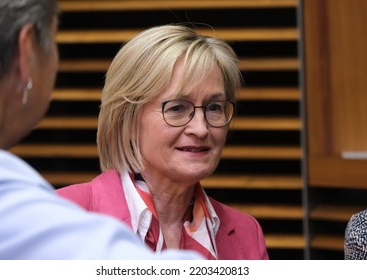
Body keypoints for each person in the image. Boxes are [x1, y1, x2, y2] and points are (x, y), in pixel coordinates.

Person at [0, 0, 202, 260]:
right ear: (27, 51)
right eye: (53, 42)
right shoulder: (13, 207)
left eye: (216, 107)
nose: (201, 127)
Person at [57, 25, 269, 260]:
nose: (201, 128)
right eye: (177, 108)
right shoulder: (61, 217)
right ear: (127, 119)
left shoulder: (246, 233)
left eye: (214, 108)